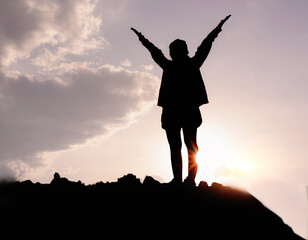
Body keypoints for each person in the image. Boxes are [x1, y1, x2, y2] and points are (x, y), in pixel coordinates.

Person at [131, 15, 231, 186]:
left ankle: (181, 180)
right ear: (185, 50)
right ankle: (188, 180)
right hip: (186, 111)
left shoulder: (172, 66)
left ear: (174, 52)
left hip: (174, 111)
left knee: (177, 147)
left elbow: (155, 52)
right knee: (190, 147)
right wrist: (217, 29)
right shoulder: (191, 64)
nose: (170, 54)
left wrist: (142, 39)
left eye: (172, 51)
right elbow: (205, 45)